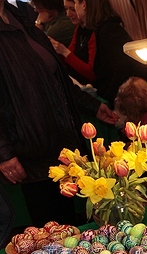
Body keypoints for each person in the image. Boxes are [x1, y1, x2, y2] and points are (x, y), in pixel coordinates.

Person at [0, 0, 117, 226]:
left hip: (60, 146)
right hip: (29, 154)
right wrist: (3, 151)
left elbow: (57, 80)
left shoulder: (20, 17)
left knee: (80, 225)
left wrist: (92, 105)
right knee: (52, 232)